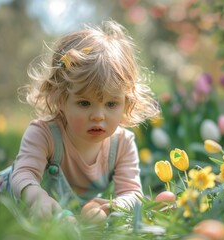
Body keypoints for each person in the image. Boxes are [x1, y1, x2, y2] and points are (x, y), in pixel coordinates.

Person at [9, 20, 160, 221]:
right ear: (60, 99)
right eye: (84, 103)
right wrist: (37, 198)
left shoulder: (122, 144)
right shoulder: (44, 134)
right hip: (25, 201)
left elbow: (132, 192)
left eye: (111, 104)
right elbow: (23, 174)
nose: (98, 115)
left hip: (72, 211)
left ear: (127, 101)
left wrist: (114, 207)